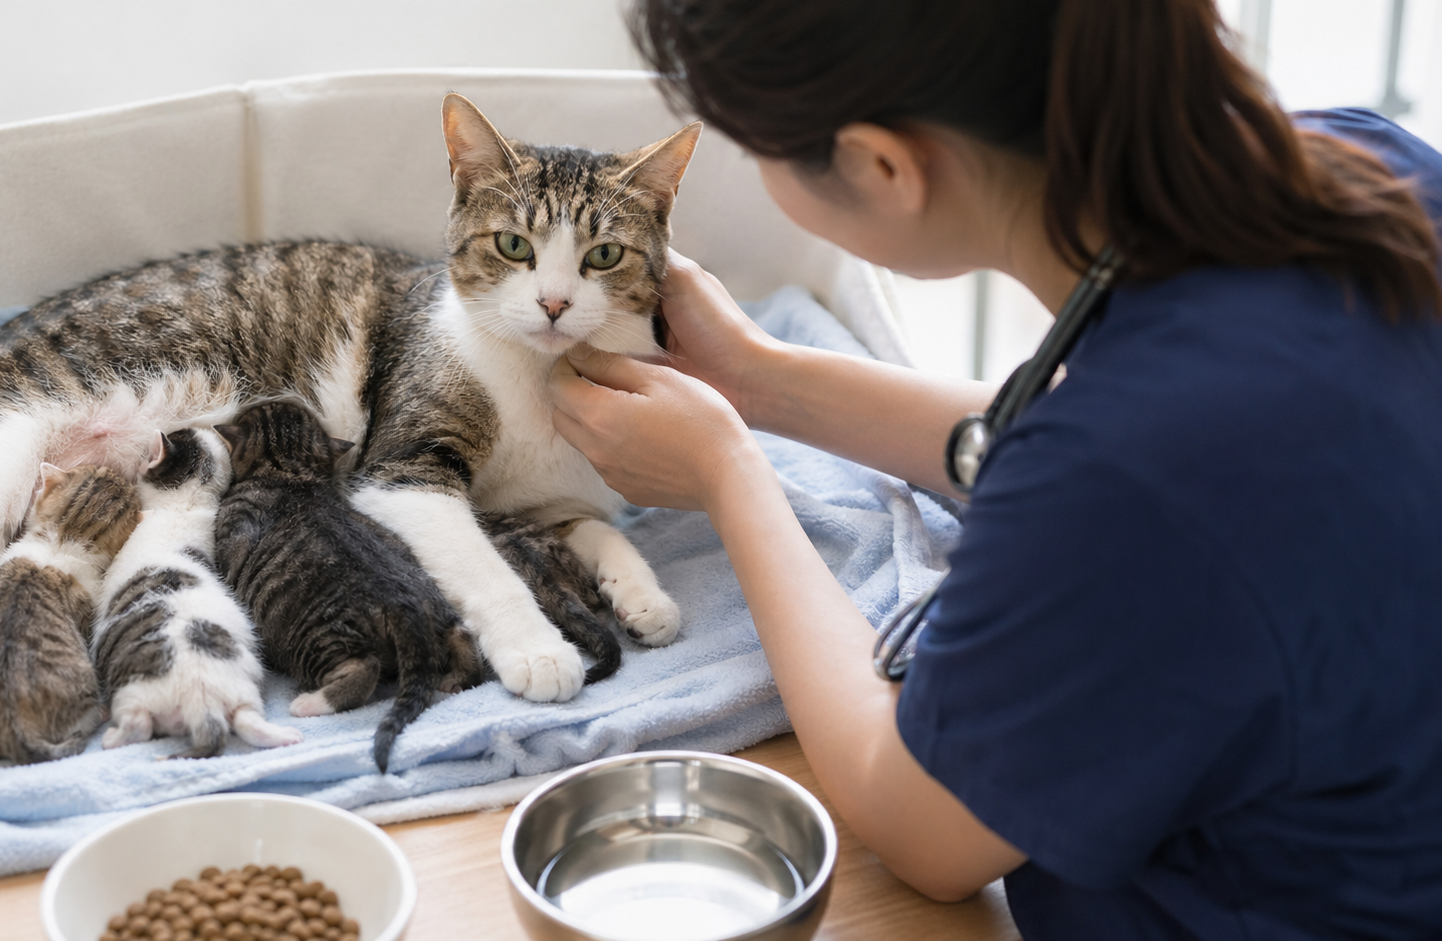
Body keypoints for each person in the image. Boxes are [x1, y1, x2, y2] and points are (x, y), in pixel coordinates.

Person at [545, 1, 1442, 937]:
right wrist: (764, 382)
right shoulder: (1363, 163)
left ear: (880, 164)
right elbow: (1142, 431)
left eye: (755, 149)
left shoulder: (1132, 479)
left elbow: (924, 829)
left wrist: (729, 471)